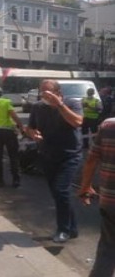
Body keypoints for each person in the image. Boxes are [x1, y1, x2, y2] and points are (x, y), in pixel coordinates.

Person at [25, 79, 83, 243]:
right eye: (42, 92)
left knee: (61, 190)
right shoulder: (37, 107)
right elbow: (30, 128)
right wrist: (33, 134)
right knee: (58, 194)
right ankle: (72, 229)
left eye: (48, 92)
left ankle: (63, 230)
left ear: (58, 93)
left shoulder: (71, 103)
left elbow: (77, 122)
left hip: (70, 155)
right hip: (48, 155)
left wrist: (59, 105)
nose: (44, 95)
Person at [77, 118, 115, 277]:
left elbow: (91, 159)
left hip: (110, 202)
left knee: (107, 249)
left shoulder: (108, 125)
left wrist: (85, 186)